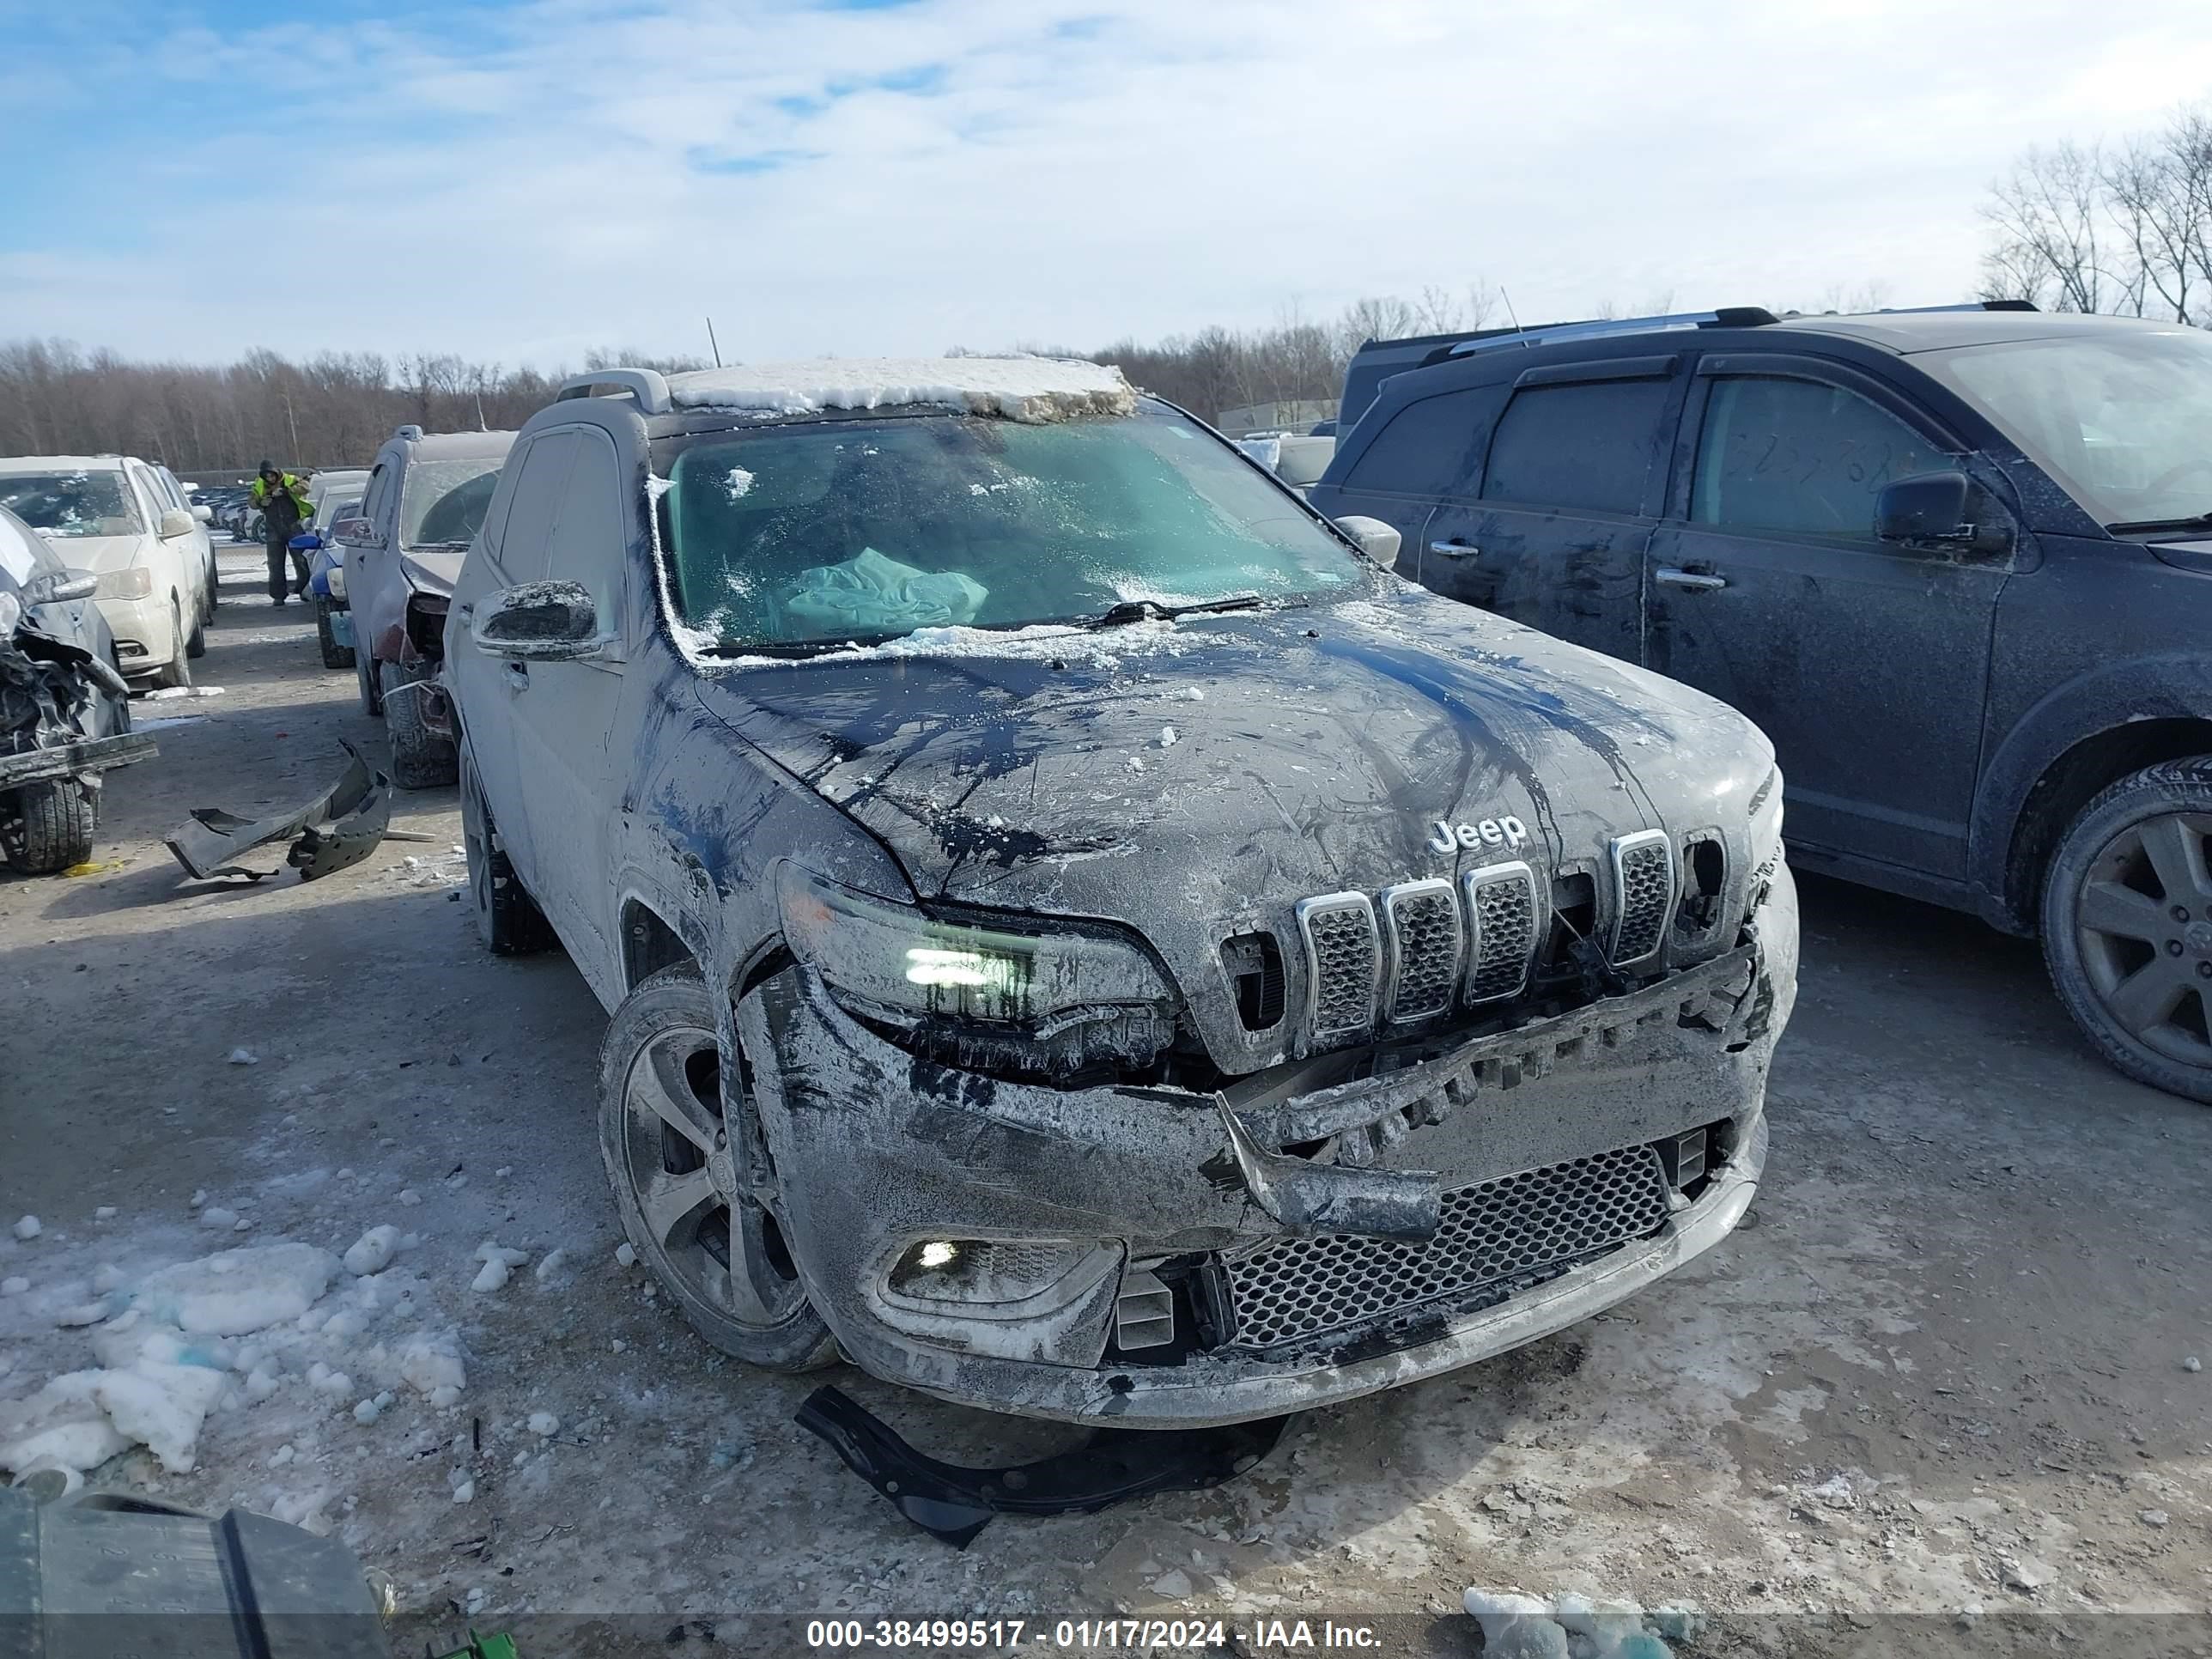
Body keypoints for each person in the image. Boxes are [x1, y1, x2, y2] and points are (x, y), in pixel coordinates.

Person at [251, 461, 313, 604]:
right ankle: (278, 596)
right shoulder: (259, 485)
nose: (270, 479)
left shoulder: (290, 479)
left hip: (293, 526)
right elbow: (252, 502)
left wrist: (286, 491)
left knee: (301, 561)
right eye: (266, 476)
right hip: (273, 529)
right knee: (275, 564)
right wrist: (261, 502)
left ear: (276, 473)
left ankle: (304, 590)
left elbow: (305, 487)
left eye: (272, 475)